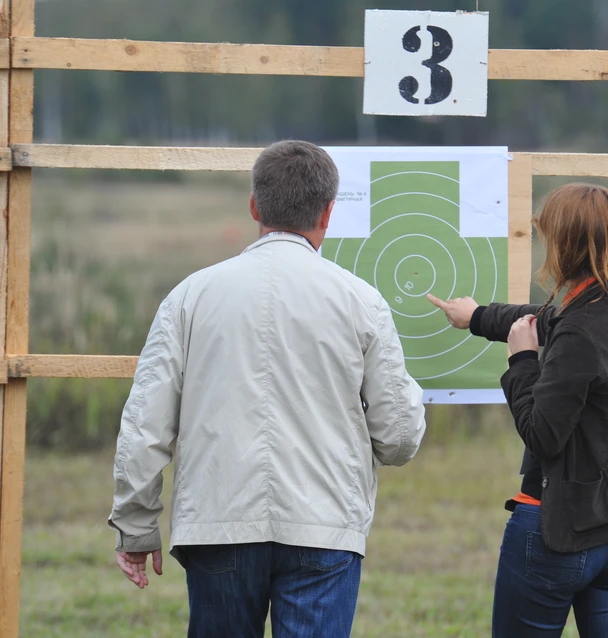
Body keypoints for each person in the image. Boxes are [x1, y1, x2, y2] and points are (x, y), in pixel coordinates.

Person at [108, 140, 427, 638]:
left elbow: (145, 422)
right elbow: (399, 438)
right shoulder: (361, 301)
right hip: (324, 527)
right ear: (327, 213)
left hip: (216, 524)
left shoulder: (189, 296)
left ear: (254, 207)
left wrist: (136, 523)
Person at [428, 183, 608, 638]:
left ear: (563, 247)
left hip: (559, 532)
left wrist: (521, 361)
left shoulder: (577, 332)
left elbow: (542, 434)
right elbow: (548, 317)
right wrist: (477, 317)